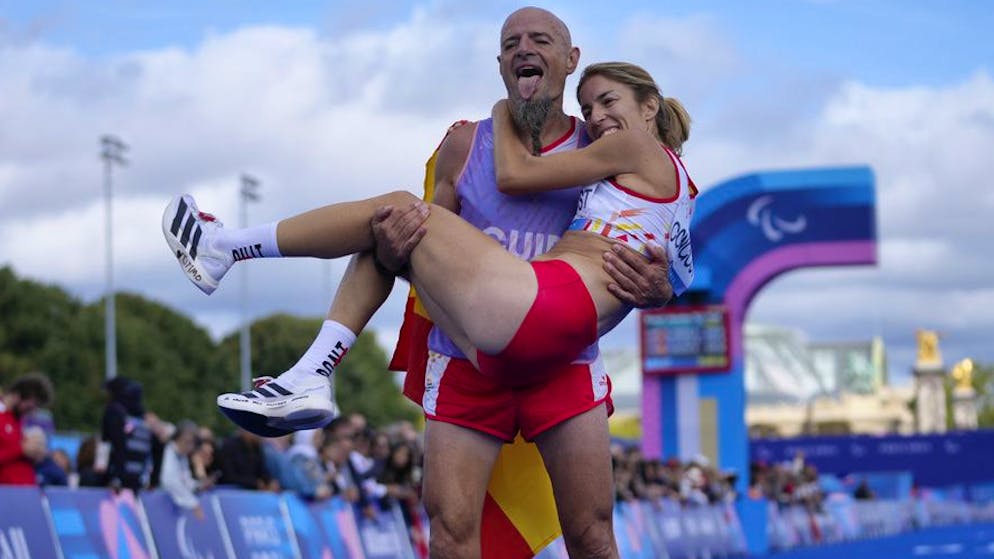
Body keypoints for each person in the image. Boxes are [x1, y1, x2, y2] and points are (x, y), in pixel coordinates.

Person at [168, 56, 692, 559]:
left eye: (608, 101)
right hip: (507, 333)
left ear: (649, 106)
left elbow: (514, 173)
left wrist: (502, 110)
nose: (597, 116)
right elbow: (682, 268)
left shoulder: (628, 147)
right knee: (391, 232)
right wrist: (669, 286)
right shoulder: (677, 183)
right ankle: (310, 370)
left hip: (542, 314)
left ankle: (229, 249)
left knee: (395, 210)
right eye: (590, 105)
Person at [101, 377, 153, 492]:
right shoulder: (142, 418)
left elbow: (116, 445)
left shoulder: (114, 412)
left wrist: (115, 477)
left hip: (118, 480)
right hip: (137, 479)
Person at [0, 373, 53, 485]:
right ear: (16, 396)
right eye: (29, 407)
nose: (31, 412)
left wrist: (37, 456)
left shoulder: (19, 421)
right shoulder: (3, 417)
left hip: (26, 492)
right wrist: (21, 449)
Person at [159, 420, 211, 519]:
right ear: (177, 438)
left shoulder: (182, 457)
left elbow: (186, 480)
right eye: (187, 442)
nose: (189, 446)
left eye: (192, 443)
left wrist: (199, 486)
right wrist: (193, 503)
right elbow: (169, 481)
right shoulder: (167, 452)